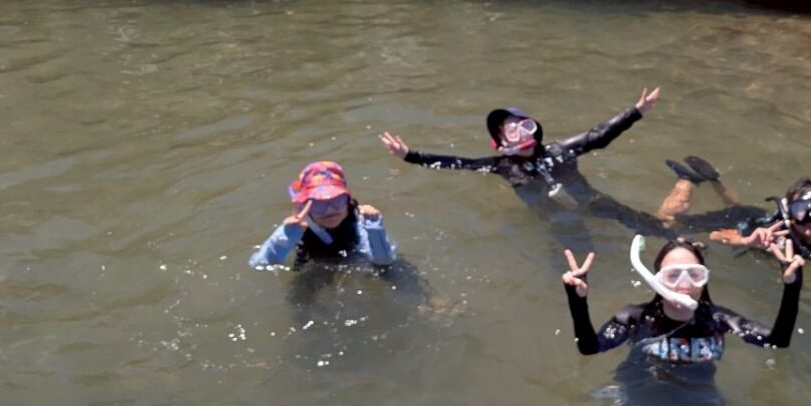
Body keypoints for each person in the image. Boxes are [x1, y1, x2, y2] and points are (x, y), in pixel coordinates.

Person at [560, 237, 804, 406]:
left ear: (705, 279)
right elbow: (590, 347)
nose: (685, 285)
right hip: (640, 405)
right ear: (656, 280)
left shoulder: (718, 319)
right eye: (673, 275)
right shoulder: (635, 317)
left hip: (700, 405)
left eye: (695, 275)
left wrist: (792, 287)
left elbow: (777, 341)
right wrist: (577, 300)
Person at [378, 88, 670, 236]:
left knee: (639, 221)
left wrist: (636, 111)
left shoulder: (558, 150)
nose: (518, 130)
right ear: (502, 142)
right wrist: (411, 156)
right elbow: (456, 162)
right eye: (510, 128)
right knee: (577, 249)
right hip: (556, 217)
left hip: (591, 201)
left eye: (522, 124)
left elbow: (599, 136)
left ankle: (676, 238)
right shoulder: (501, 166)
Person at [655, 166, 811, 263]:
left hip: (753, 217)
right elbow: (718, 236)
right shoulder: (775, 234)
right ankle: (686, 181)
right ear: (790, 215)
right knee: (668, 222)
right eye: (802, 211)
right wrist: (745, 240)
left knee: (736, 205)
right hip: (748, 223)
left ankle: (715, 180)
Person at [248, 161, 397, 269]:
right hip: (316, 267)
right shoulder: (295, 228)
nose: (329, 210)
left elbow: (384, 262)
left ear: (348, 202)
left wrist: (374, 228)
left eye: (337, 201)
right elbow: (260, 264)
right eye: (318, 204)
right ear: (304, 206)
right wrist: (285, 236)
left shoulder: (360, 222)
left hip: (356, 263)